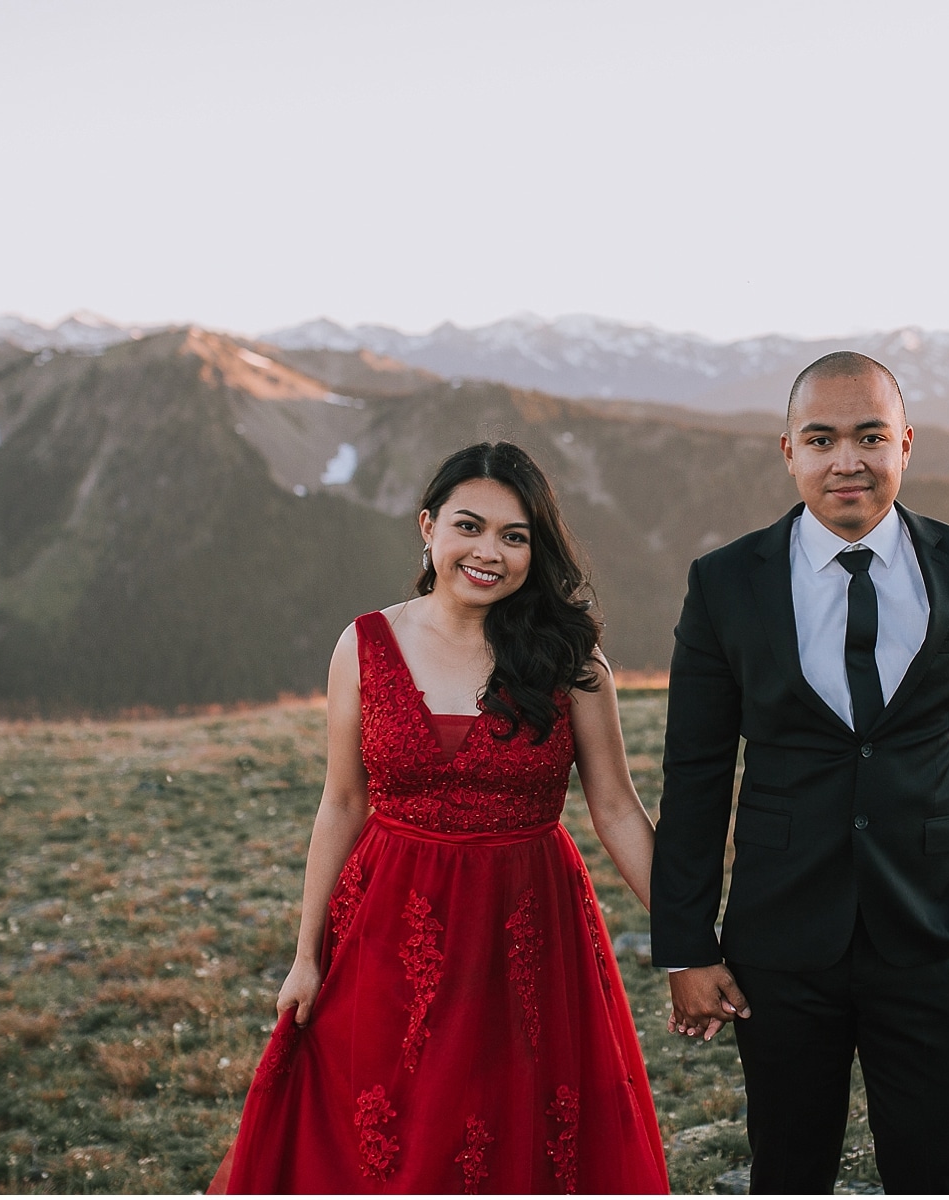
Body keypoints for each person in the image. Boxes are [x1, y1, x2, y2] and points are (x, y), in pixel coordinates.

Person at [211, 441, 668, 1194]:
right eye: (469, 526)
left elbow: (616, 808)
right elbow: (344, 801)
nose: (489, 552)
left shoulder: (571, 663)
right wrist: (306, 955)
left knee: (515, 1130)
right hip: (390, 928)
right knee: (389, 1134)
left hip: (526, 933)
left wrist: (691, 940)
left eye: (514, 536)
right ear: (428, 528)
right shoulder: (365, 644)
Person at [652, 352, 949, 1194]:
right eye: (822, 438)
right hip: (780, 944)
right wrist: (685, 945)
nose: (848, 461)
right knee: (789, 1175)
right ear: (788, 451)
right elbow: (695, 772)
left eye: (870, 436)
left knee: (933, 1173)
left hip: (937, 932)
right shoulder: (726, 583)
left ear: (905, 443)